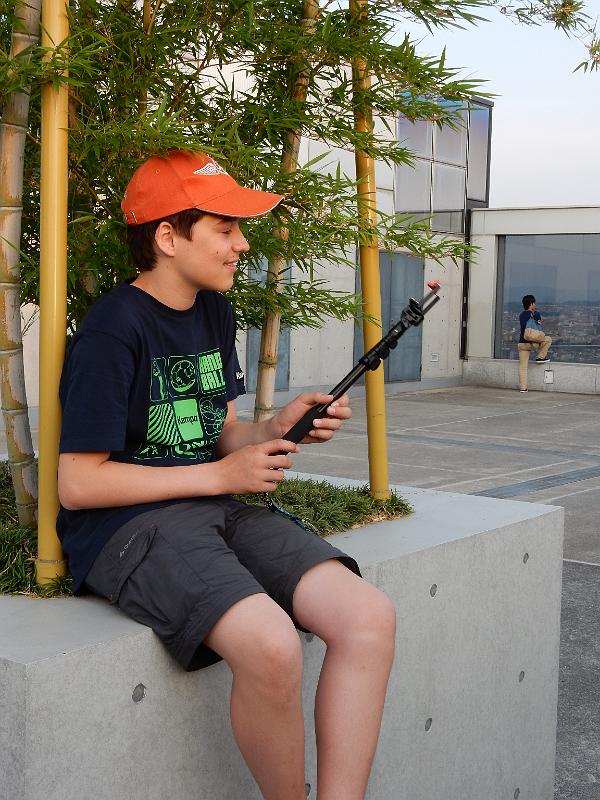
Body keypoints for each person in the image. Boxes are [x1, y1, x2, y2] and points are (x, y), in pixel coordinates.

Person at [57, 150, 396, 800]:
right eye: (225, 228)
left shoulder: (215, 311)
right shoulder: (112, 329)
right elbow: (79, 484)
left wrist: (275, 430)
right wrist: (220, 476)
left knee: (368, 617)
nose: (242, 244)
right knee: (271, 644)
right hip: (128, 527)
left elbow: (219, 435)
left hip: (211, 506)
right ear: (167, 236)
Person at [517, 294, 552, 393]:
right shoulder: (536, 314)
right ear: (531, 304)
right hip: (533, 343)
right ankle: (540, 357)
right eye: (534, 303)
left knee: (523, 367)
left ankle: (523, 388)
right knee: (548, 339)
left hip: (522, 344)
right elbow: (539, 329)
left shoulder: (521, 315)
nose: (535, 305)